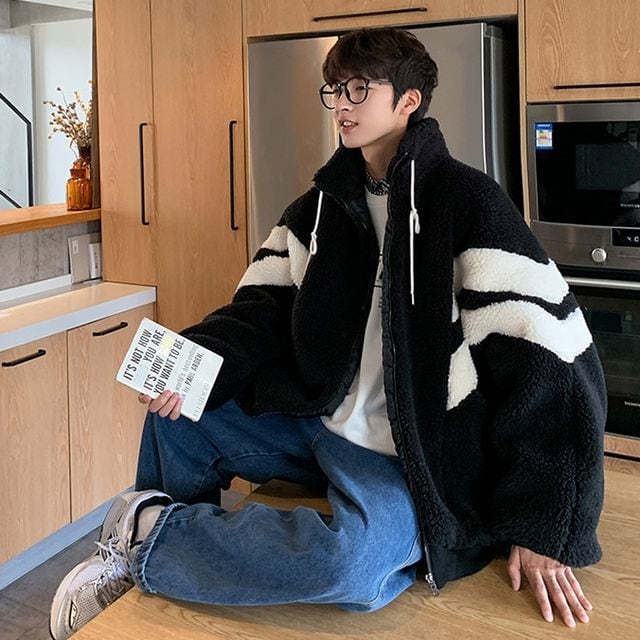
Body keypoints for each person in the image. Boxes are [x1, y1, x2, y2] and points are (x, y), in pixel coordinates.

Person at [49, 27, 607, 639]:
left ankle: (149, 541)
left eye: (359, 88)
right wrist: (195, 361)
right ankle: (145, 558)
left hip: (408, 455)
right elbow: (258, 310)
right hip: (316, 419)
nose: (341, 103)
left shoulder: (469, 203)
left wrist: (546, 521)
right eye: (335, 89)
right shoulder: (317, 208)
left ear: (408, 101)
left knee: (352, 565)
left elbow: (550, 358)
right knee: (178, 418)